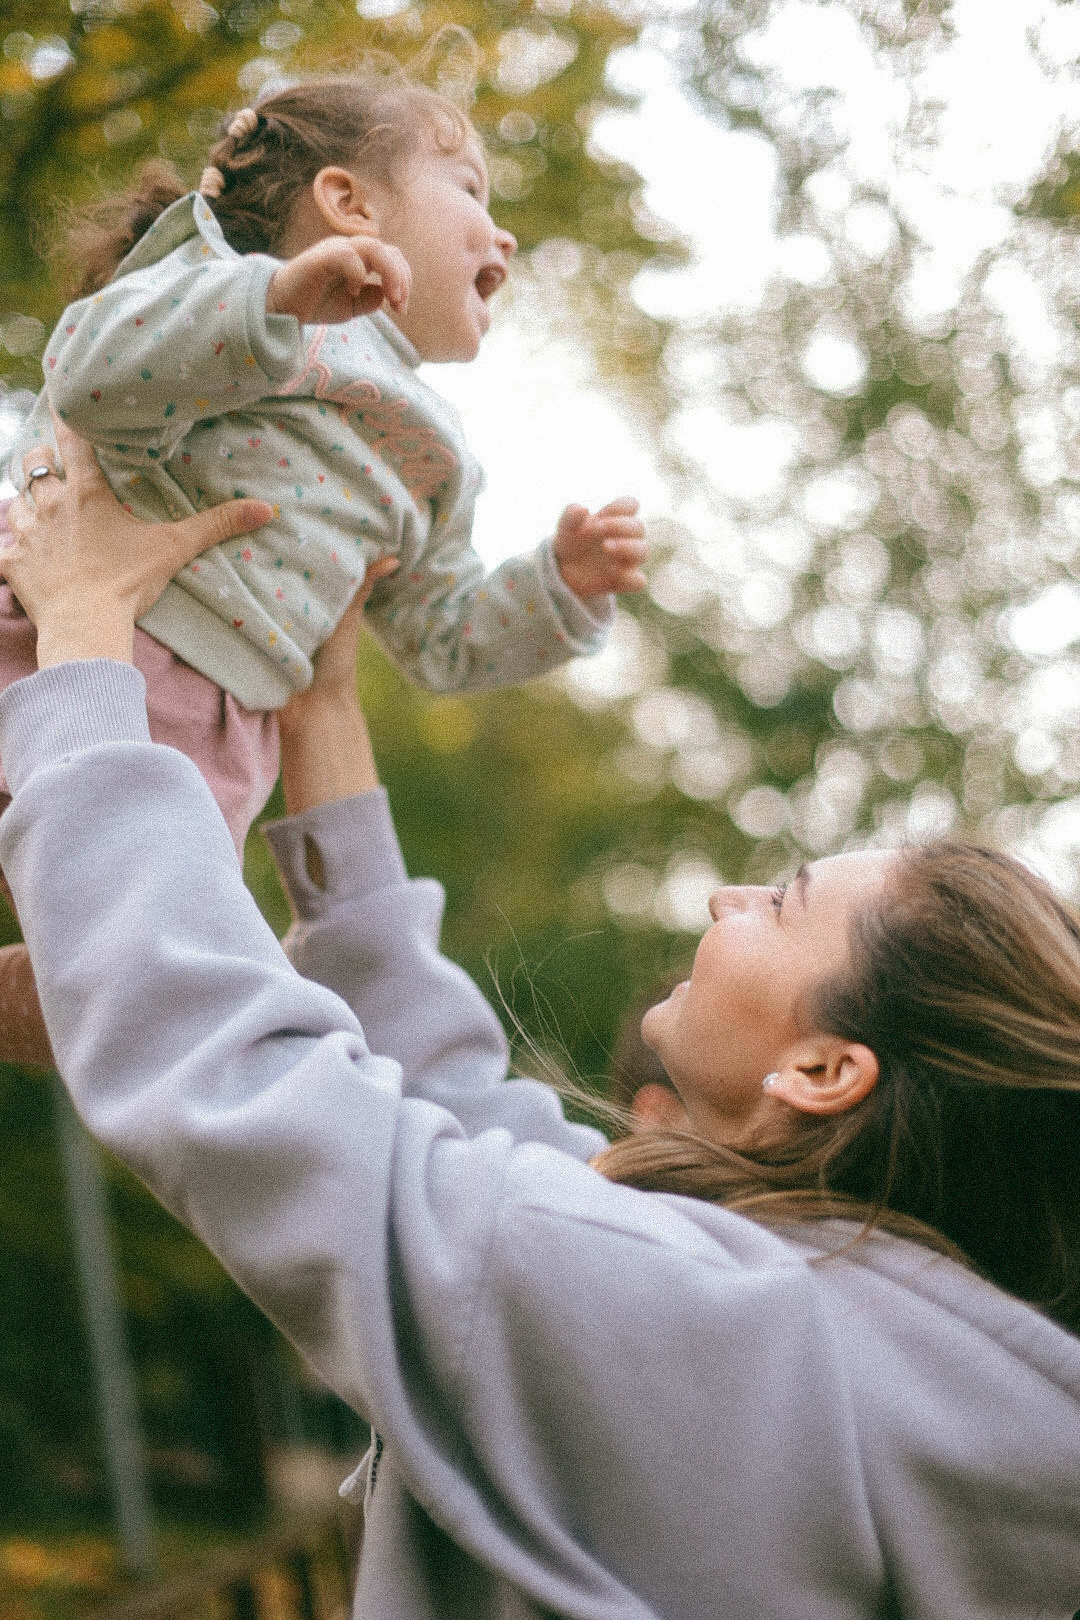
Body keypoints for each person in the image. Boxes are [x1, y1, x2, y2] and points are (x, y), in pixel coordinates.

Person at [1, 427, 1079, 1617]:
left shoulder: (718, 1327)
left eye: (780, 903)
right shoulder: (887, 1354)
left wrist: (84, 644)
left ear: (825, 1068)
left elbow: (244, 1089)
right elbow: (470, 1119)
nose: (729, 898)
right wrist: (323, 710)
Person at [0, 67, 647, 1065]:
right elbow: (90, 373)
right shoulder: (221, 290)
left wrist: (555, 588)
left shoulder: (432, 453)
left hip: (215, 745)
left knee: (123, 984)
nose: (502, 232)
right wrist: (274, 304)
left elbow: (441, 638)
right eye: (470, 190)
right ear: (349, 203)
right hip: (59, 637)